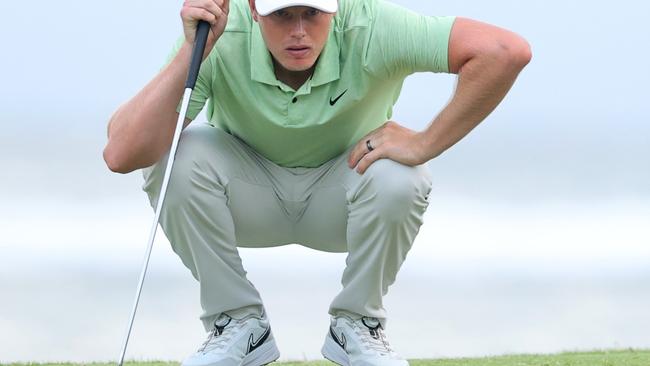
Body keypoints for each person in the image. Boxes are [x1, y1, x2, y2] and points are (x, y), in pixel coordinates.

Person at [103, 0, 531, 364]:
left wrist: (426, 143)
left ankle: (356, 325)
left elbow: (505, 51)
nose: (299, 32)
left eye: (312, 13)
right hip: (247, 198)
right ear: (253, 10)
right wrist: (193, 50)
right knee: (176, 151)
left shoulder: (373, 25)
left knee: (404, 173)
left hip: (345, 198)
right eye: (283, 15)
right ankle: (235, 323)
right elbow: (121, 153)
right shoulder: (222, 32)